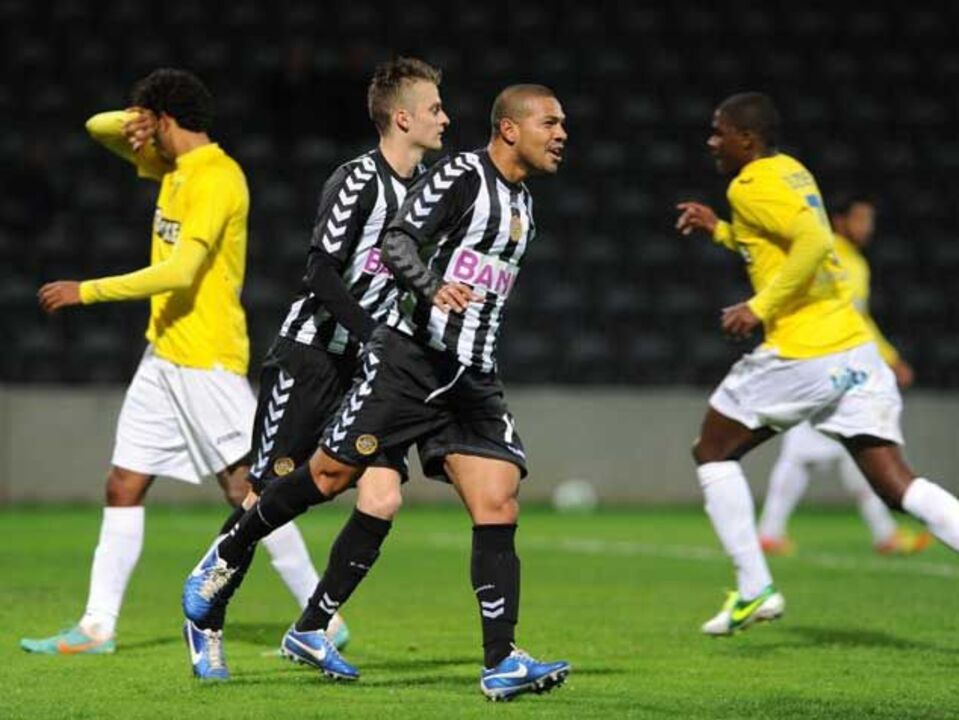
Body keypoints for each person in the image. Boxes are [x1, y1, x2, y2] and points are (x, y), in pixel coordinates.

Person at [183, 84, 571, 701]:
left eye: (563, 125)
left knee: (497, 498)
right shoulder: (460, 177)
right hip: (408, 365)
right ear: (509, 130)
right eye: (550, 123)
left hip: (471, 379)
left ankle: (501, 659)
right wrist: (430, 284)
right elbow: (396, 244)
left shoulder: (524, 204)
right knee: (329, 477)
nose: (561, 134)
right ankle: (231, 549)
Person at [21, 68, 320, 656]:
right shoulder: (175, 167)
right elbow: (96, 128)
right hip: (163, 356)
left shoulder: (216, 179)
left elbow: (181, 272)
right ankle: (96, 627)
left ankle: (320, 616)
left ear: (163, 122)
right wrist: (135, 121)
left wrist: (89, 290)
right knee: (123, 484)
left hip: (205, 357)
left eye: (146, 121)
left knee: (250, 493)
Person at [181, 56, 450, 680]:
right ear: (402, 116)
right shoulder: (357, 180)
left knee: (382, 498)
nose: (445, 117)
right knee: (263, 492)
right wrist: (368, 335)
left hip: (370, 367)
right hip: (312, 356)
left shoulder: (432, 188)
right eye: (435, 108)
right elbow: (320, 273)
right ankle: (206, 619)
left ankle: (308, 629)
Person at [675, 92, 959, 636]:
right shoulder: (792, 173)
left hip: (805, 352)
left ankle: (755, 587)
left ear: (747, 140)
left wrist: (758, 307)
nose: (712, 141)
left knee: (712, 450)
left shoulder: (749, 183)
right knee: (898, 486)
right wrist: (719, 230)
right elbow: (775, 243)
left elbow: (811, 241)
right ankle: (756, 587)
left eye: (720, 132)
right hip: (855, 351)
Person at [758, 194, 929, 556]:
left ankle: (771, 533)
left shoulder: (854, 261)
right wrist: (889, 359)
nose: (867, 228)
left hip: (825, 364)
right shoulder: (835, 257)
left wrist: (889, 357)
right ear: (839, 221)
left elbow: (859, 320)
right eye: (860, 219)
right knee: (863, 446)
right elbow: (850, 320)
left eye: (870, 220)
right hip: (829, 364)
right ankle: (884, 535)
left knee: (807, 454)